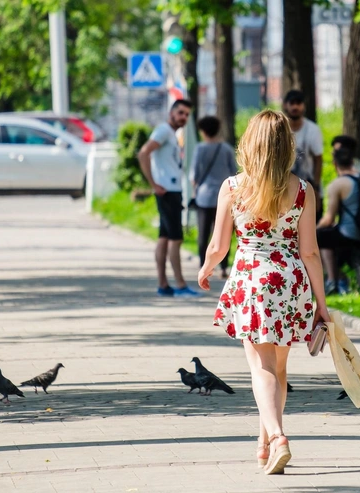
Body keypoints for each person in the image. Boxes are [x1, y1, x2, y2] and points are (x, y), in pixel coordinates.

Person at [197, 109, 330, 475]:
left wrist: (206, 269)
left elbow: (218, 246)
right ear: (287, 146)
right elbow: (310, 252)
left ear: (249, 145)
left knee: (261, 368)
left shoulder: (233, 187)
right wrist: (322, 304)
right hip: (290, 282)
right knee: (279, 369)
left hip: (252, 281)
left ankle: (278, 436)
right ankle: (263, 446)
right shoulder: (302, 190)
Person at [138, 99, 199, 297]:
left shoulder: (171, 134)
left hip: (171, 190)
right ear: (171, 112)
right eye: (180, 113)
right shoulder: (163, 131)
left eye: (187, 114)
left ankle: (163, 285)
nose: (184, 117)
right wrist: (153, 184)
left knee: (164, 239)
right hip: (167, 191)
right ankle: (180, 285)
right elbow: (144, 153)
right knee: (176, 239)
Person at [316, 136, 360, 295]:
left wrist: (311, 230)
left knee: (318, 237)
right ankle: (337, 279)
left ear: (334, 162)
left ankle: (334, 281)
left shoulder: (337, 185)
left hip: (350, 234)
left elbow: (328, 219)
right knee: (327, 235)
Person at [190, 116, 237, 279]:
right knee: (225, 232)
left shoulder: (200, 149)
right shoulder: (226, 149)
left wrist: (193, 190)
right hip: (225, 196)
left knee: (203, 232)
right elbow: (234, 172)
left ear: (203, 131)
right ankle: (223, 267)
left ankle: (204, 266)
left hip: (204, 196)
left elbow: (194, 175)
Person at [282, 90, 324, 221]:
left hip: (308, 185)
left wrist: (316, 188)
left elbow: (318, 159)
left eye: (298, 103)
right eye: (292, 103)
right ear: (285, 105)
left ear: (304, 106)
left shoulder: (312, 129)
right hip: (285, 189)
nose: (295, 107)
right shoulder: (281, 129)